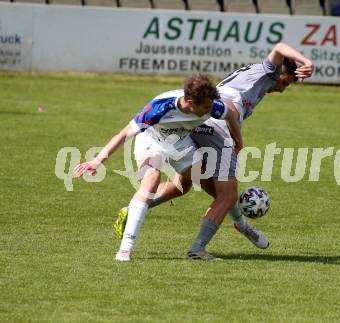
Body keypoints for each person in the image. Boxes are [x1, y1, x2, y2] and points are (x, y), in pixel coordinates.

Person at [115, 43, 314, 259]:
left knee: (184, 184)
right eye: (287, 81)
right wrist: (307, 62)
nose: (284, 88)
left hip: (199, 122)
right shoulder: (268, 72)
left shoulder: (254, 78)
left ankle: (135, 208)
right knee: (227, 194)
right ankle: (201, 247)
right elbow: (280, 47)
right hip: (217, 127)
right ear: (282, 71)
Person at [74, 74, 242, 261]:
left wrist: (239, 141)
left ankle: (238, 226)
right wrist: (97, 161)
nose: (209, 112)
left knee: (213, 192)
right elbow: (124, 134)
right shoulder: (160, 108)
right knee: (152, 179)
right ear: (189, 102)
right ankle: (125, 250)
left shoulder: (213, 106)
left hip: (180, 144)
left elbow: (230, 115)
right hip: (151, 142)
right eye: (205, 108)